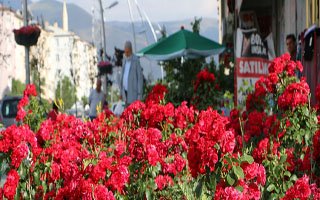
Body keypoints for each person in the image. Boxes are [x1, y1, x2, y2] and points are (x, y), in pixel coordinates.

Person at [120, 41, 144, 107]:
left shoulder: (135, 60)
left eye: (127, 52)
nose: (126, 54)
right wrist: (120, 92)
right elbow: (122, 76)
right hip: (125, 94)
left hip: (134, 94)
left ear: (131, 50)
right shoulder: (124, 60)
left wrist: (139, 95)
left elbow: (139, 78)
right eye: (125, 52)